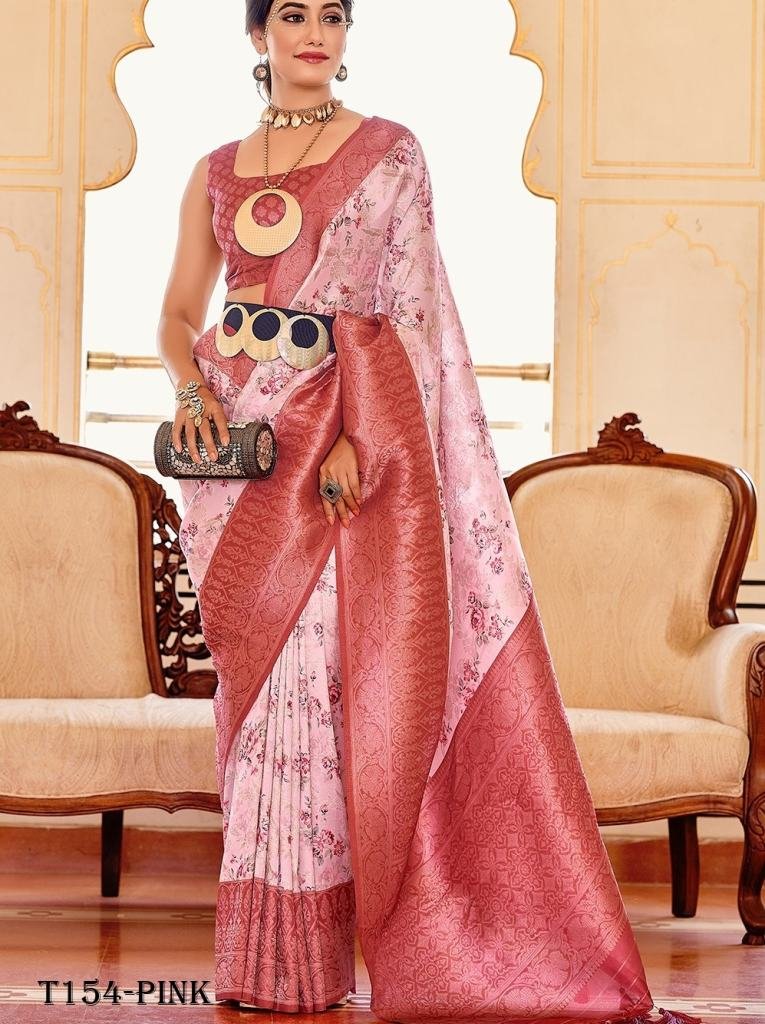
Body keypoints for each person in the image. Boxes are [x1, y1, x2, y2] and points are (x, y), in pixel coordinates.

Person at [156, 1, 706, 1021]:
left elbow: (405, 314)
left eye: (332, 15)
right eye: (292, 14)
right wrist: (192, 390)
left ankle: (313, 960)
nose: (314, 33)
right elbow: (181, 309)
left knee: (318, 681)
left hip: (338, 447)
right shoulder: (218, 170)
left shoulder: (390, 154)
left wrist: (362, 435)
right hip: (237, 457)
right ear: (256, 33)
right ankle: (258, 962)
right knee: (257, 692)